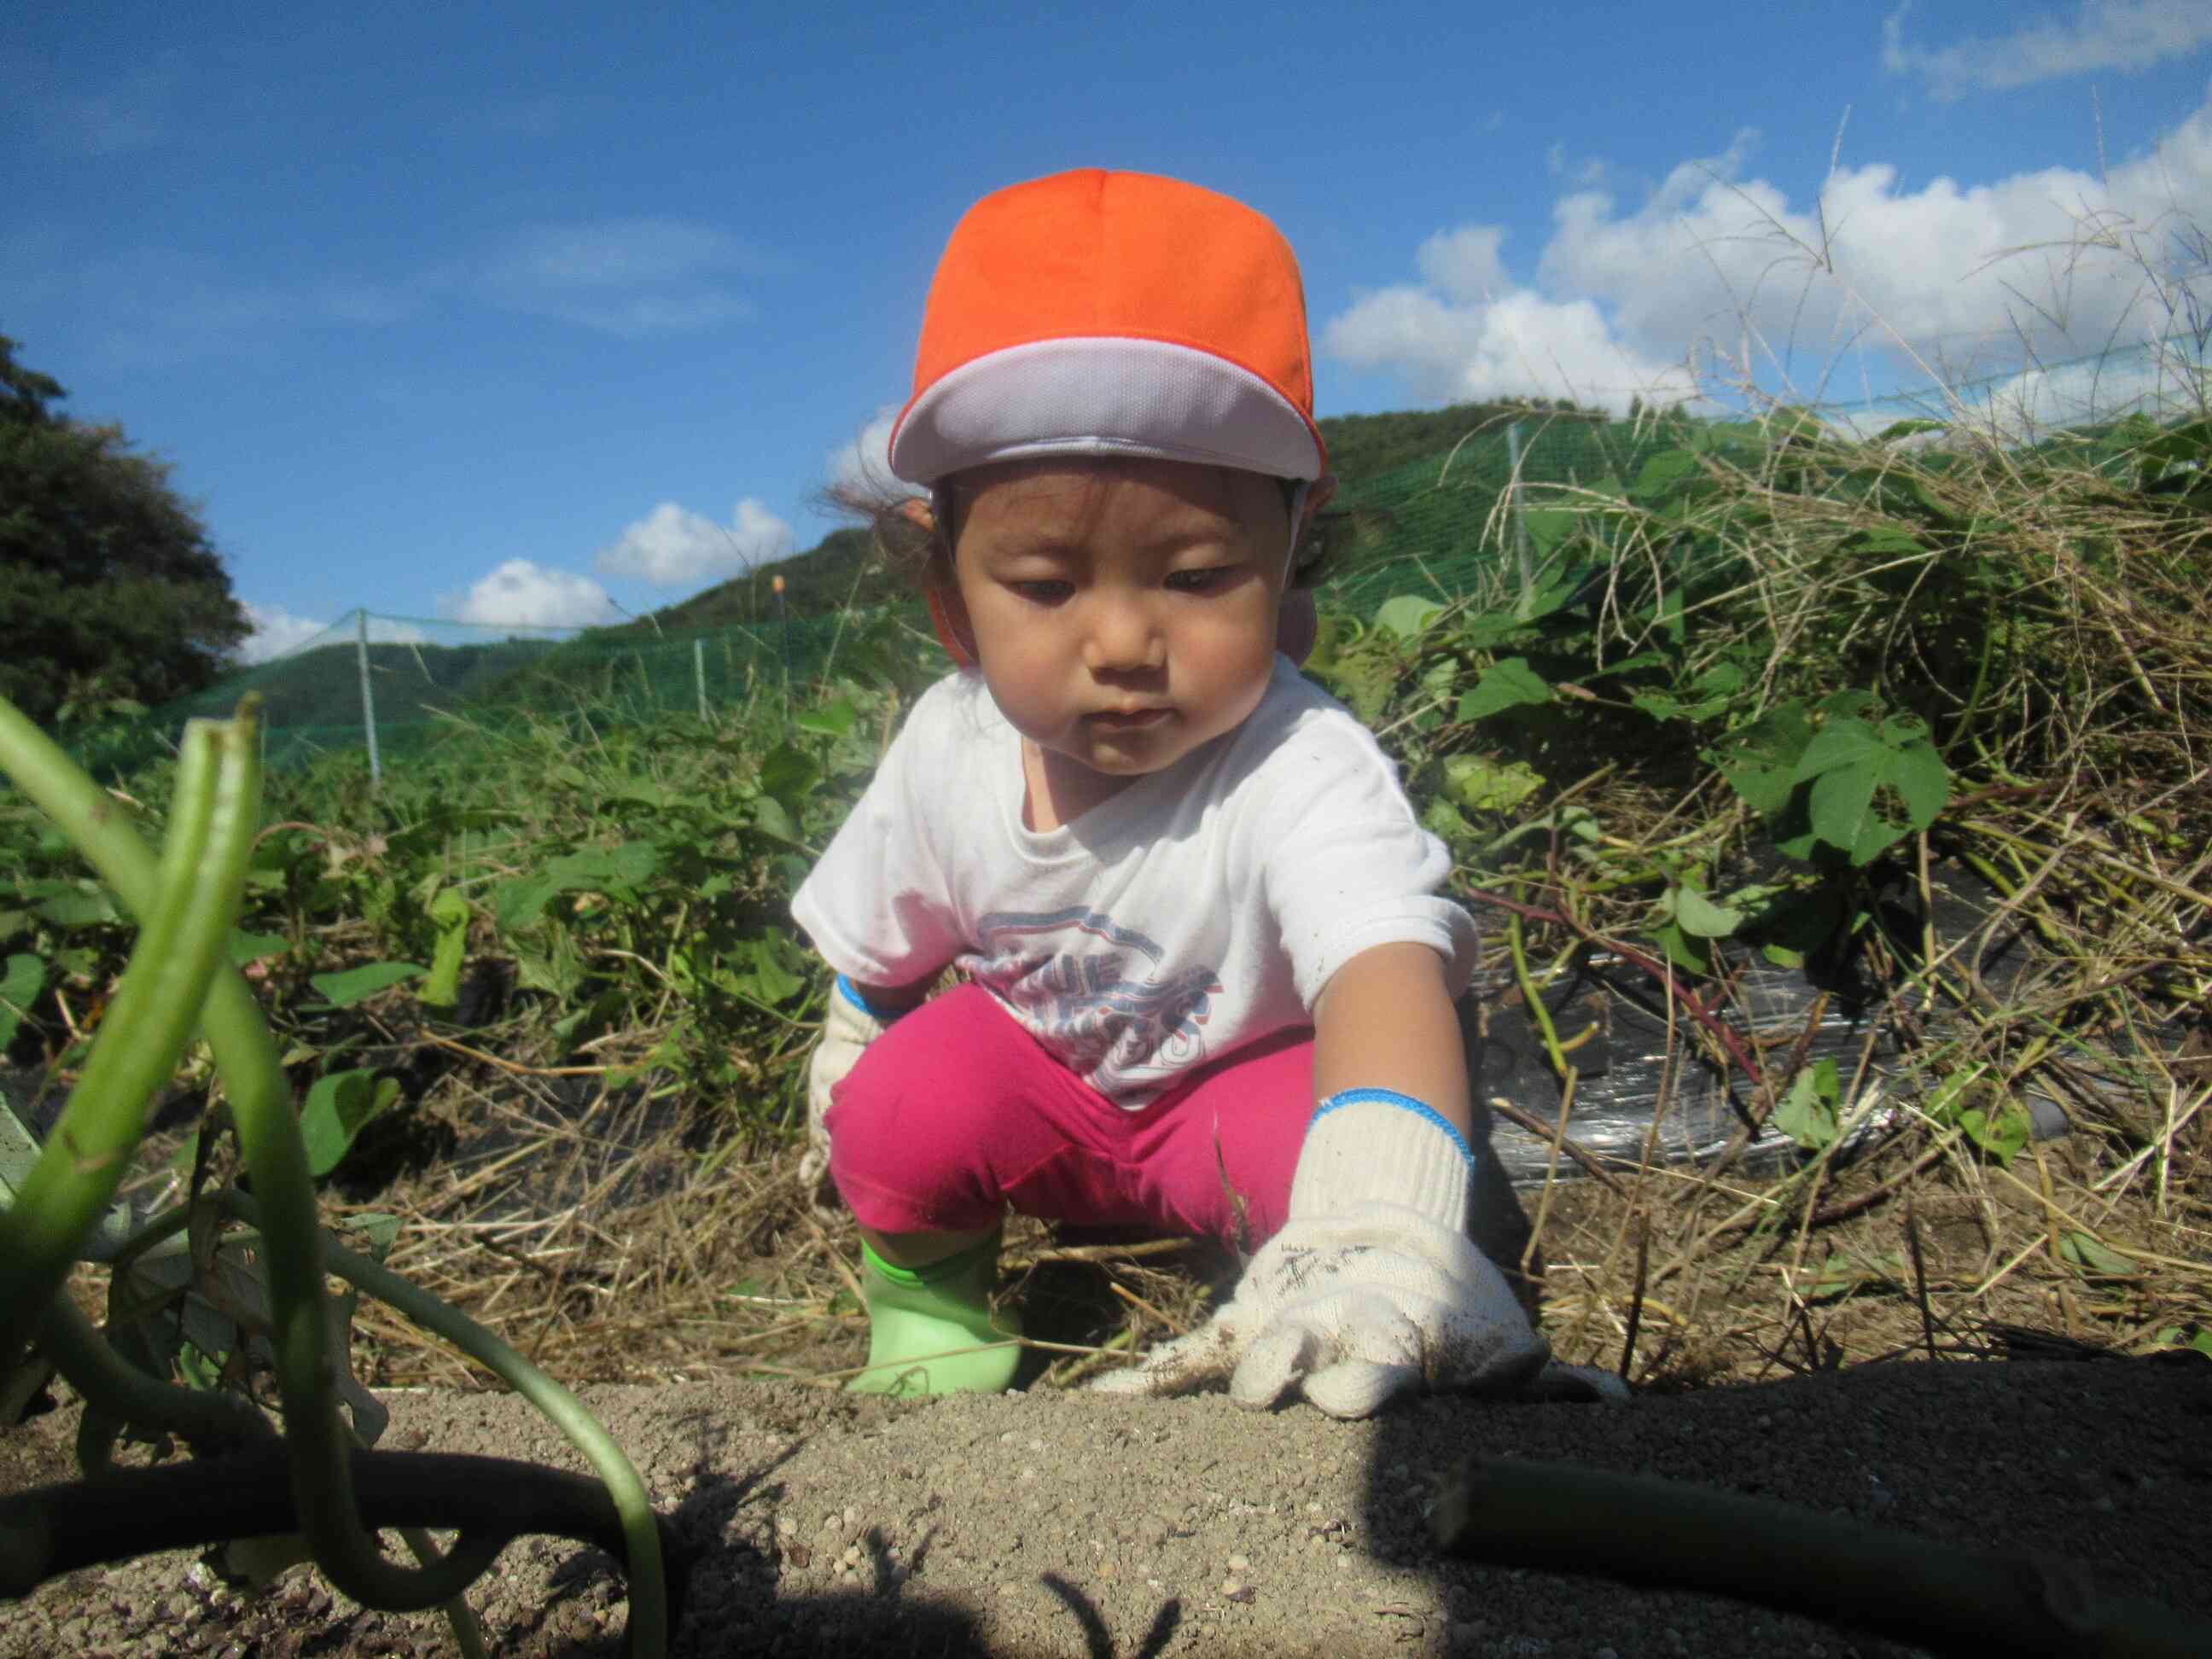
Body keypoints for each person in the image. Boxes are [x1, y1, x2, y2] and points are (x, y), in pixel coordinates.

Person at [792, 169, 1607, 1418]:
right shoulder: (947, 750)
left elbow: (1384, 959)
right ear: (951, 604)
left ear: (1290, 562)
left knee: (1368, 1151)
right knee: (898, 1103)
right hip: (1043, 1098)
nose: (1123, 641)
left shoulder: (1298, 759)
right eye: (1048, 587)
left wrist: (1386, 1224)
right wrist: (847, 1064)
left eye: (1197, 573)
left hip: (1227, 1103)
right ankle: (931, 1312)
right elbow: (881, 955)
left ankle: (1327, 1288)